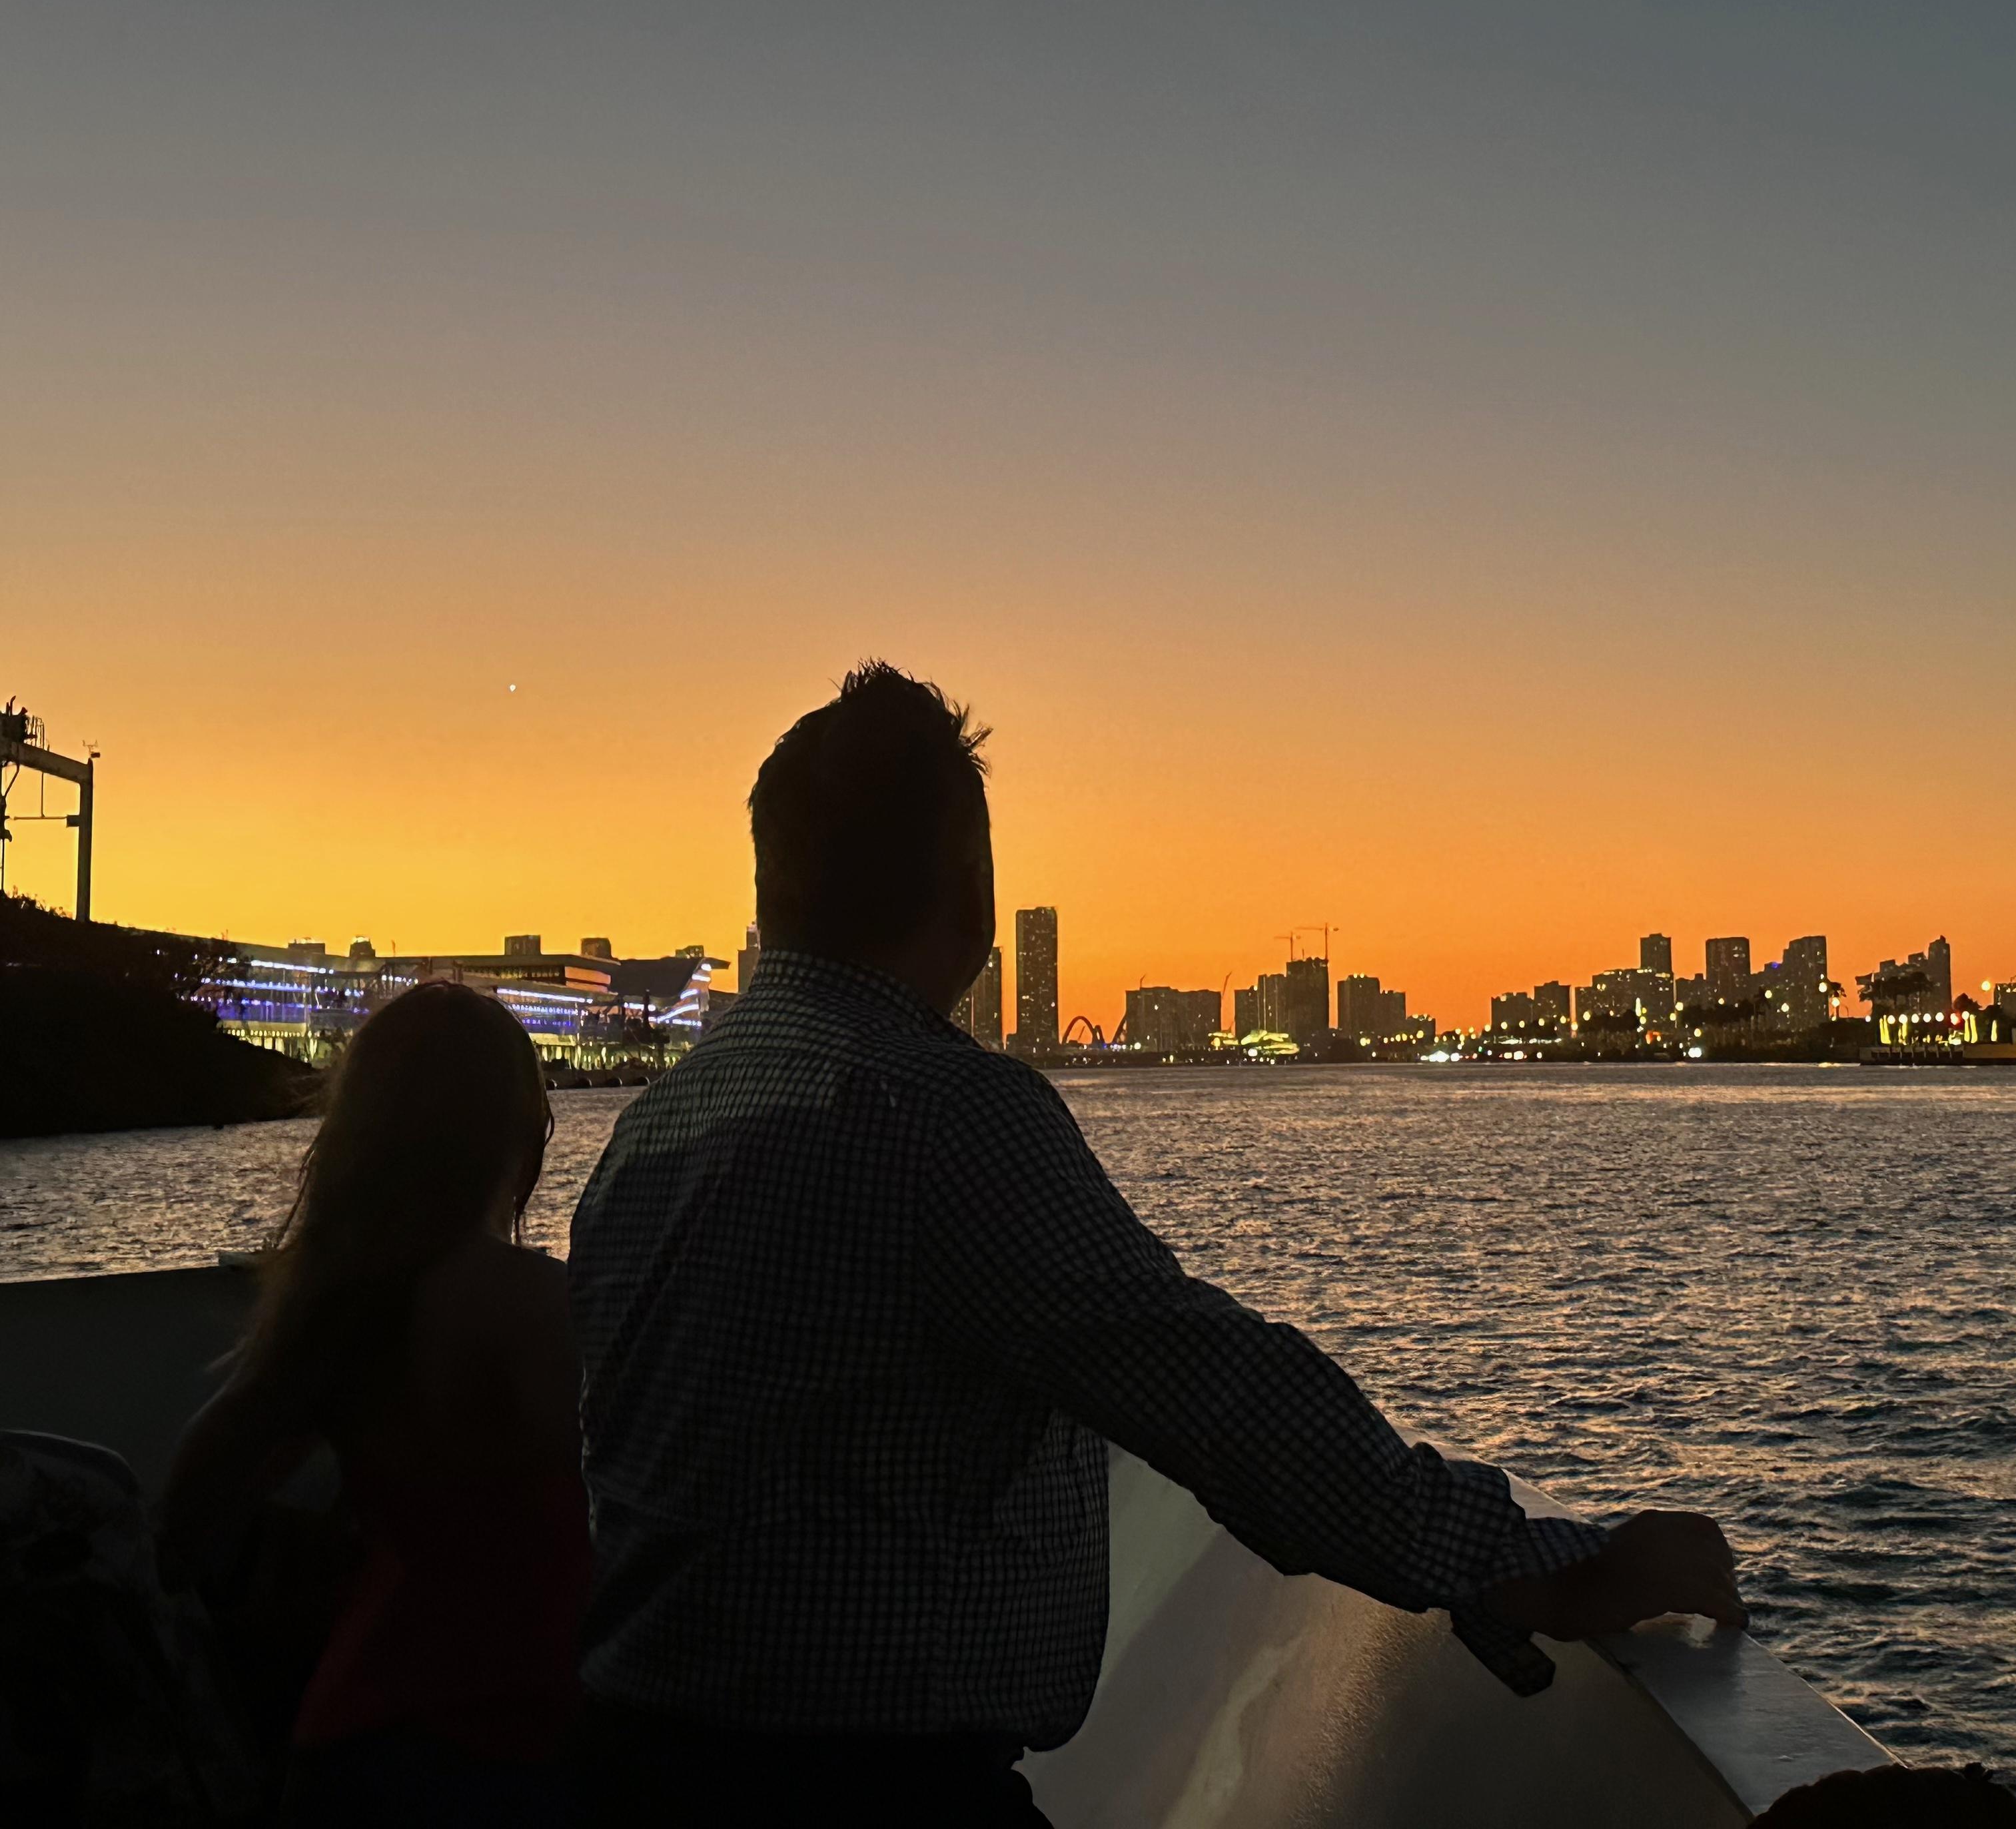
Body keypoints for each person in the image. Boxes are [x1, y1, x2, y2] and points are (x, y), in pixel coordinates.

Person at [568, 663, 1747, 1825]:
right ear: (969, 882)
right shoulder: (944, 1110)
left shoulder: (652, 1128)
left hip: (629, 1767)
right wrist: (1538, 1561)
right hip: (858, 1794)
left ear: (773, 887)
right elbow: (1222, 1398)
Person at [157, 982, 587, 1826]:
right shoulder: (533, 1303)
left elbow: (184, 1520)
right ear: (519, 1130)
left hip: (352, 1737)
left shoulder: (336, 1308)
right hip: (508, 1742)